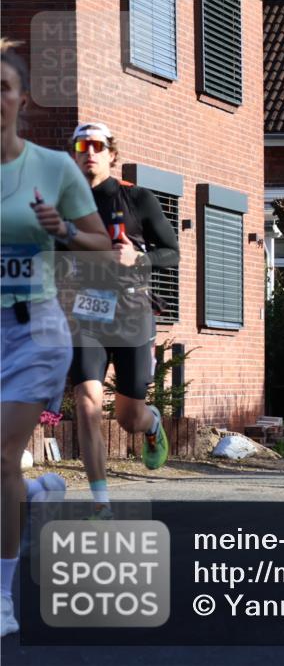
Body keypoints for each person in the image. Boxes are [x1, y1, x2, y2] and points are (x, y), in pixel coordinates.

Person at [1, 38, 110, 637]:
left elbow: (99, 241)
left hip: (32, 329)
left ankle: (3, 599)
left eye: (3, 88)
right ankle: (35, 489)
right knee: (4, 469)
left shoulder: (53, 167)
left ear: (20, 99)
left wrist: (64, 226)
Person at [67, 122, 179, 519]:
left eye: (98, 145)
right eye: (82, 145)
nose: (89, 151)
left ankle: (151, 425)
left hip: (132, 316)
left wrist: (139, 259)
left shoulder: (138, 199)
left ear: (112, 154)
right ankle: (101, 502)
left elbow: (172, 253)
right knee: (86, 402)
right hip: (87, 318)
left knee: (128, 417)